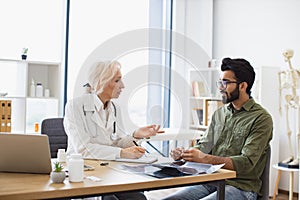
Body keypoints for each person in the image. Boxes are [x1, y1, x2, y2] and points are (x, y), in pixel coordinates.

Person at [163, 57, 273, 200]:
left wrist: (204, 158)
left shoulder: (261, 118)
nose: (220, 87)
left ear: (242, 86)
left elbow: (246, 163)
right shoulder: (219, 114)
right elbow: (204, 145)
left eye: (225, 82)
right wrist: (187, 154)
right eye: (220, 82)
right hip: (210, 181)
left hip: (241, 188)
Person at [64, 60, 163, 200]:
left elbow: (117, 142)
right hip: (84, 171)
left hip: (110, 169)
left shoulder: (115, 108)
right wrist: (122, 153)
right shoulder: (75, 106)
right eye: (117, 80)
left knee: (138, 197)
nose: (122, 86)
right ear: (100, 82)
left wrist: (136, 135)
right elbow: (83, 149)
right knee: (109, 199)